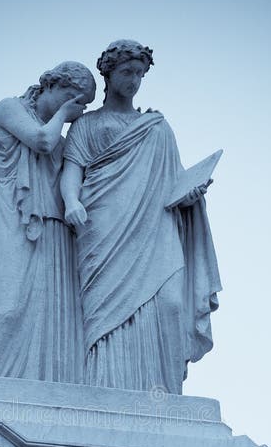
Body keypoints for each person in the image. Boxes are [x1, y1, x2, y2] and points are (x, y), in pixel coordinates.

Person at [61, 40, 221, 394]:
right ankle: (106, 388)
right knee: (107, 313)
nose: (133, 80)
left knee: (170, 303)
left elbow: (173, 180)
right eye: (126, 72)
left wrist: (190, 196)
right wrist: (71, 200)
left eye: (139, 74)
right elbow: (72, 168)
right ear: (109, 74)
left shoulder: (157, 128)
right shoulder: (87, 125)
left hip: (155, 225)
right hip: (103, 227)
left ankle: (163, 391)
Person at [0, 61, 96, 413]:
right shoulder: (10, 109)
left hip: (52, 227)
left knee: (52, 312)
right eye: (76, 101)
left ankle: (47, 396)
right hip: (9, 212)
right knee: (8, 309)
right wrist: (65, 113)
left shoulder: (61, 136)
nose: (78, 112)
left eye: (82, 106)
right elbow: (41, 141)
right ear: (53, 86)